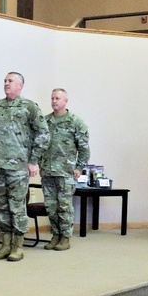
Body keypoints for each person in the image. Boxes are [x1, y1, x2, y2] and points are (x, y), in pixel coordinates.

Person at [0, 72, 49, 262]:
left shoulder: (29, 107)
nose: (6, 83)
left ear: (20, 86)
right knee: (1, 207)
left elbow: (43, 134)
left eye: (10, 81)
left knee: (17, 207)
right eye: (5, 80)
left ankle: (18, 246)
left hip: (17, 167)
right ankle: (5, 245)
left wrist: (33, 160)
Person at [40, 88, 90, 251]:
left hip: (66, 171)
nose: (54, 101)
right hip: (48, 171)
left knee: (64, 206)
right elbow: (38, 144)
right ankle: (55, 235)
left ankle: (65, 237)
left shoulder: (75, 122)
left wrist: (79, 167)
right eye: (53, 98)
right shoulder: (45, 122)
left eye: (58, 98)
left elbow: (83, 148)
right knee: (51, 206)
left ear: (65, 101)